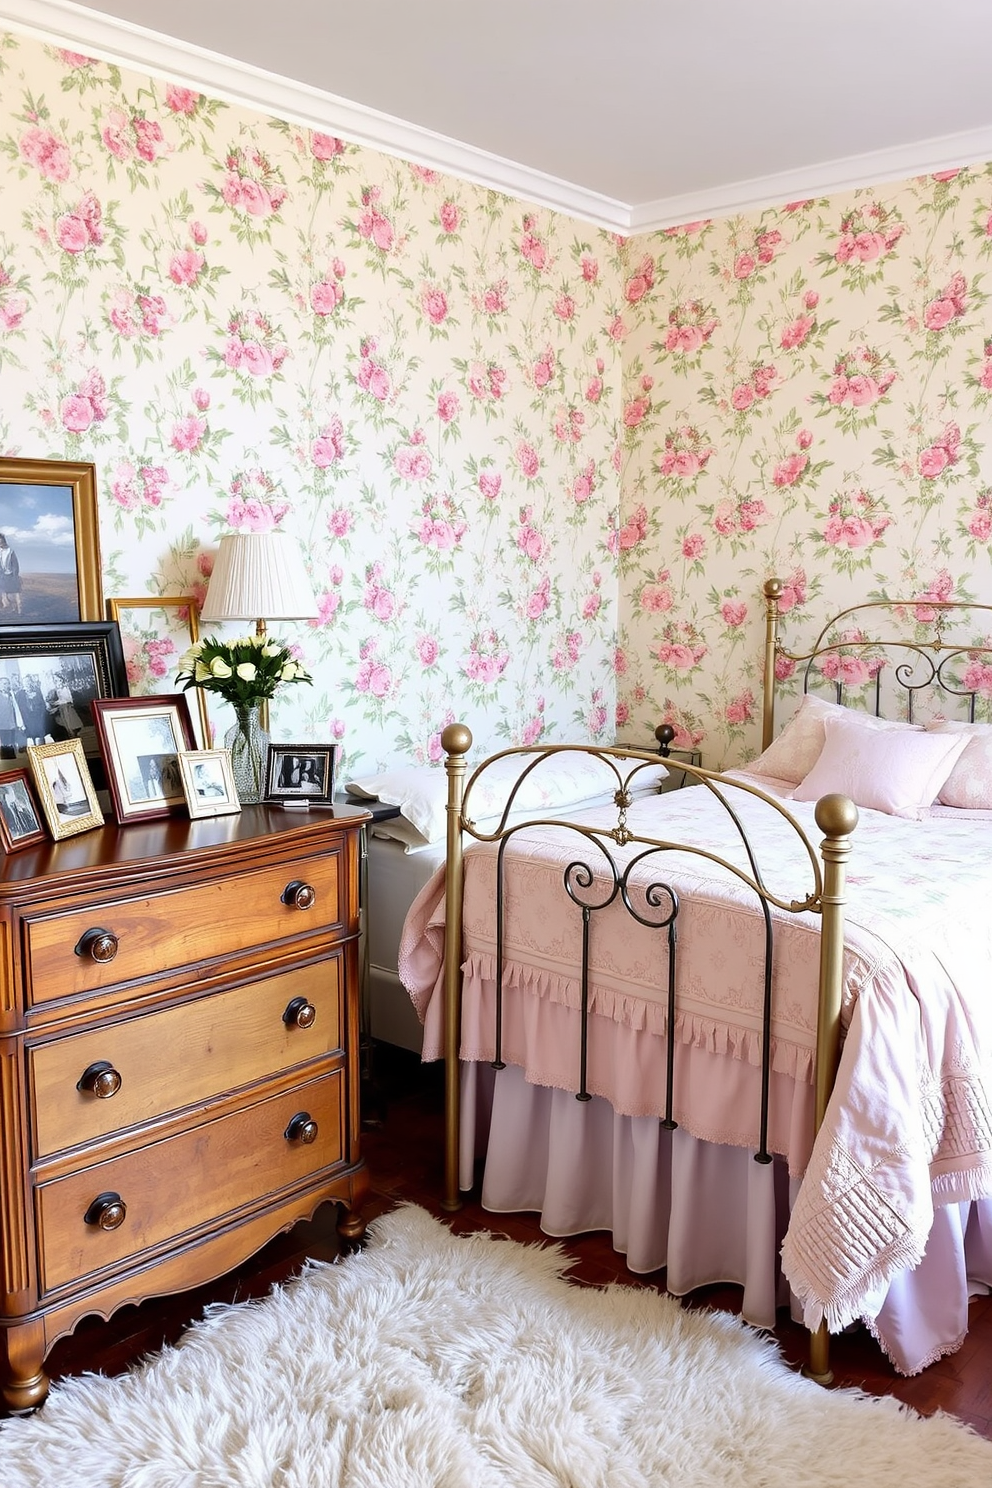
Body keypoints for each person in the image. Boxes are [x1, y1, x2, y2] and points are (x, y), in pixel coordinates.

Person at [15, 674, 49, 747]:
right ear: (23, 683)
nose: (27, 683)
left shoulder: (37, 692)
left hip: (38, 717)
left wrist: (42, 715)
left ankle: (43, 748)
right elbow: (18, 707)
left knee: (41, 733)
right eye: (25, 682)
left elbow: (43, 704)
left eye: (29, 681)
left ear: (31, 682)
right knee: (32, 734)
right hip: (28, 718)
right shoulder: (19, 694)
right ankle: (35, 748)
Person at [0, 677, 23, 759]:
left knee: (12, 742)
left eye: (8, 683)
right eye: (4, 683)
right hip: (2, 725)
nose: (7, 685)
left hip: (12, 723)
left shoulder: (11, 695)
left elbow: (16, 708)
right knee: (5, 744)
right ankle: (7, 761)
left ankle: (13, 759)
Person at [0, 534, 21, 617]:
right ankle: (10, 608)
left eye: (1, 541)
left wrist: (15, 576)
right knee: (4, 593)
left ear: (3, 540)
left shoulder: (10, 551)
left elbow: (15, 565)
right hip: (2, 576)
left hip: (11, 575)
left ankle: (19, 610)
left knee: (16, 593)